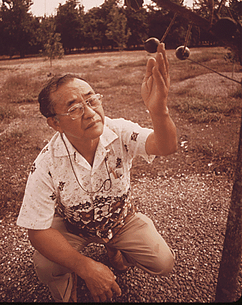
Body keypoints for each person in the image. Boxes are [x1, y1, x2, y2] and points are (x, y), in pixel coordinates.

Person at [17, 42, 177, 303]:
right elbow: (36, 231)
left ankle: (113, 247)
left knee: (164, 262)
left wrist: (159, 110)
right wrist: (85, 267)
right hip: (71, 226)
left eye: (91, 100)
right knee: (47, 267)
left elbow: (166, 147)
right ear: (54, 123)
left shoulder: (120, 131)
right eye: (74, 108)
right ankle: (68, 287)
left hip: (120, 219)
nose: (91, 113)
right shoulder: (46, 163)